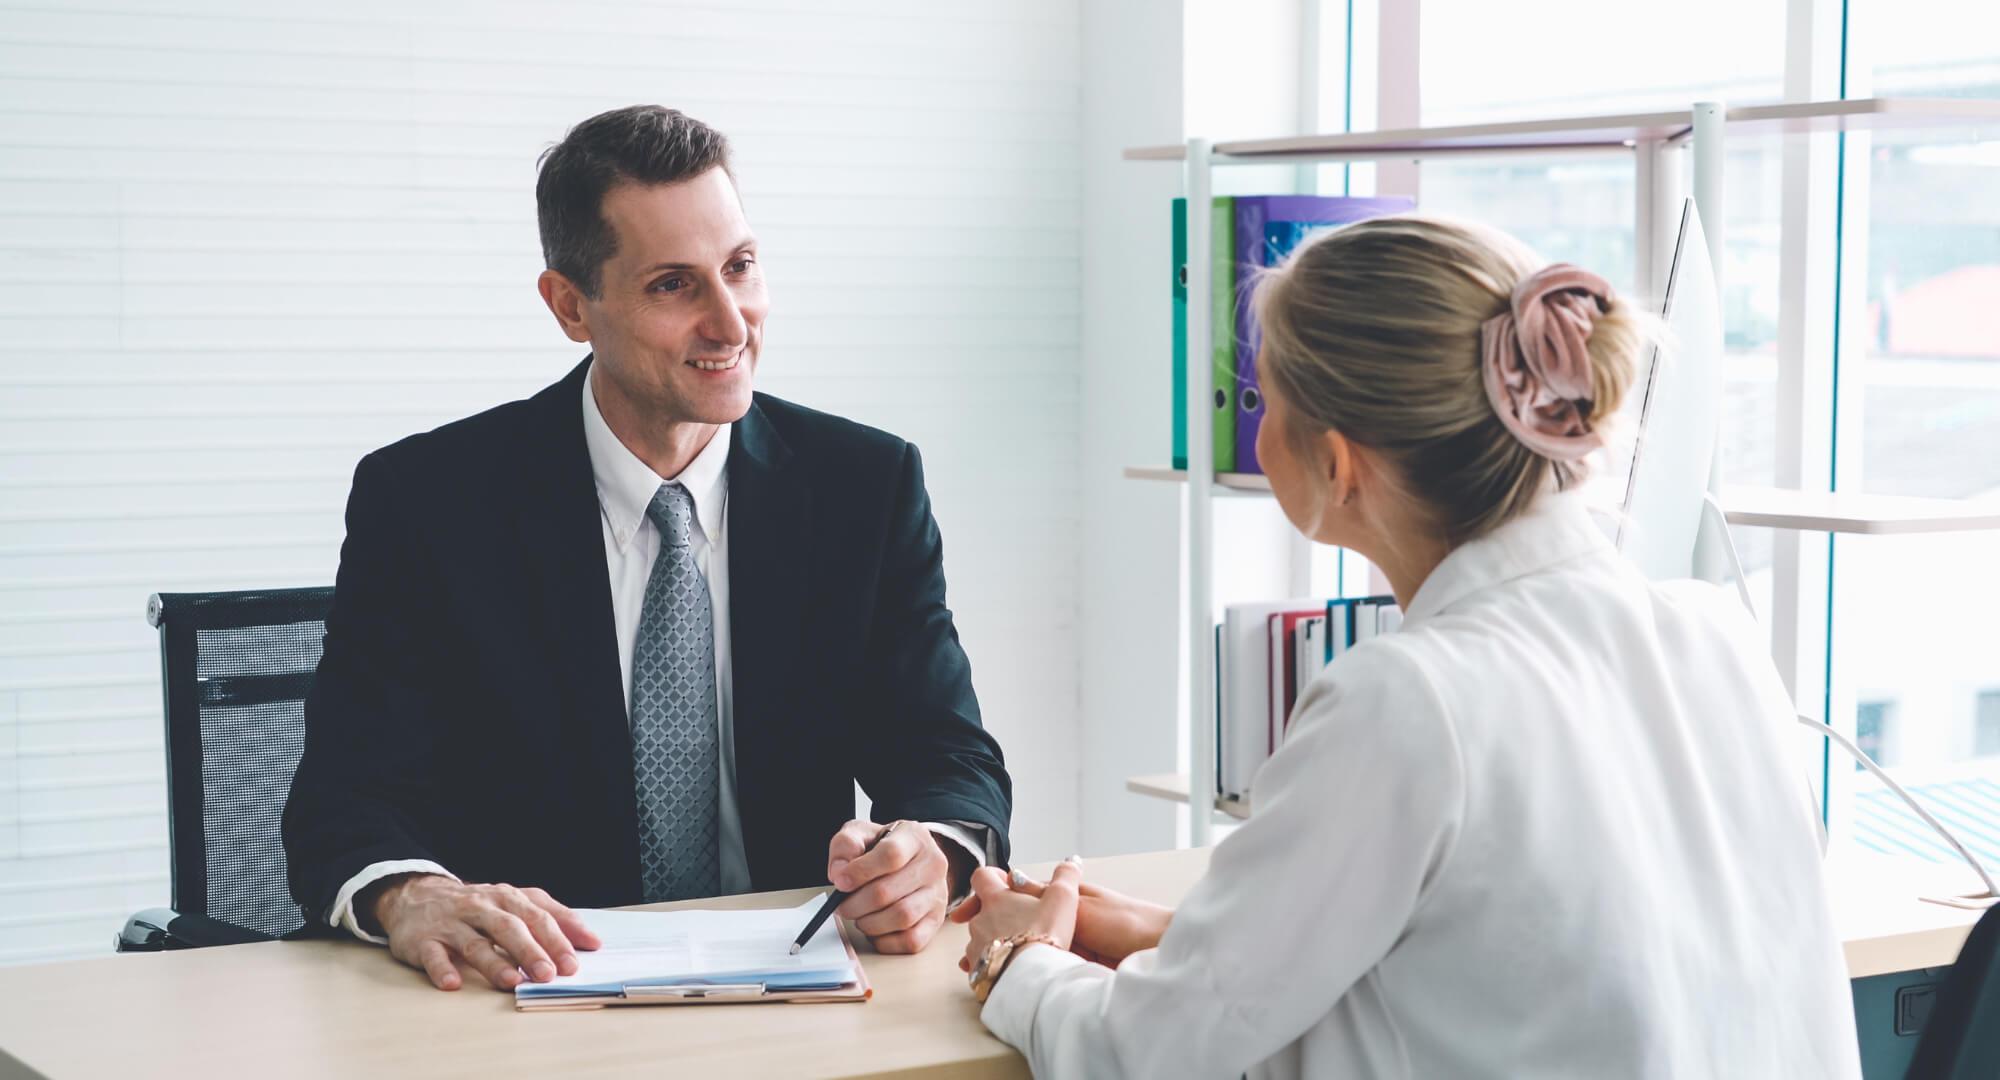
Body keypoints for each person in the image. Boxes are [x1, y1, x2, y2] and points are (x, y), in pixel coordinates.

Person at [952, 216, 1860, 1077]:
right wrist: (1179, 938)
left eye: (1265, 400)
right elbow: (1514, 962)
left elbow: (1146, 1054)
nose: (1255, 428)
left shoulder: (1408, 699)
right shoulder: (1716, 637)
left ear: (1340, 464)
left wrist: (1020, 961)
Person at [281, 105, 1012, 993]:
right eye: (673, 285)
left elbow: (947, 754)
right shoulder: (431, 503)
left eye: (740, 268)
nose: (731, 323)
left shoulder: (863, 486)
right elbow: (344, 801)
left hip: (796, 1000)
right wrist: (410, 895)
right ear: (570, 306)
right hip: (531, 1007)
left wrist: (930, 851)